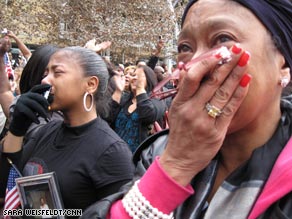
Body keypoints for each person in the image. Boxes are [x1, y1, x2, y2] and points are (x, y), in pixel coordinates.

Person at [81, 0, 292, 218]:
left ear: (283, 65)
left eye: (223, 39)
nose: (193, 68)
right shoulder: (158, 153)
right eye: (185, 48)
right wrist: (174, 168)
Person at [0, 47, 134, 214]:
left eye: (57, 73)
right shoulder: (45, 132)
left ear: (90, 84)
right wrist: (17, 129)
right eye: (45, 74)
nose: (44, 81)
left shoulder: (112, 152)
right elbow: (5, 182)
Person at [107, 64, 167, 153]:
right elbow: (109, 118)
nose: (135, 78)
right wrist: (118, 91)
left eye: (139, 76)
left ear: (149, 79)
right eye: (134, 75)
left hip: (137, 159)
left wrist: (140, 88)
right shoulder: (125, 98)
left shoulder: (157, 101)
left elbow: (148, 115)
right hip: (115, 153)